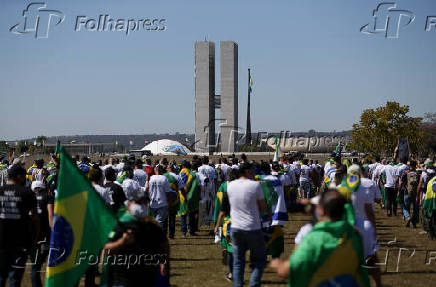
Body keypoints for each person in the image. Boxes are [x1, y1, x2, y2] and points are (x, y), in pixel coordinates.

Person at [269, 191, 370, 287]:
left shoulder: (314, 239)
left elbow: (291, 269)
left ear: (321, 210)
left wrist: (278, 265)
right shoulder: (354, 235)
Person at [104, 195, 169, 287]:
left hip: (147, 279)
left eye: (145, 203)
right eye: (138, 203)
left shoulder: (153, 227)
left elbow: (164, 245)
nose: (142, 206)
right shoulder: (120, 225)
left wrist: (163, 260)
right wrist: (122, 241)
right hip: (123, 279)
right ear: (129, 204)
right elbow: (107, 250)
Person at [227, 162, 267, 287]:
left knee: (238, 261)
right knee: (259, 260)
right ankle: (254, 283)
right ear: (248, 172)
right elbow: (262, 207)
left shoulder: (231, 185)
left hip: (236, 227)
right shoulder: (255, 186)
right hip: (252, 227)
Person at [0, 165, 39, 287]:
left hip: (1, 240)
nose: (24, 179)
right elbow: (35, 218)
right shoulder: (27, 192)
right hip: (20, 240)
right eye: (23, 176)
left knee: (1, 276)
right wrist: (36, 236)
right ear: (18, 176)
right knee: (15, 278)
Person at [29, 181, 54, 287]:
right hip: (46, 232)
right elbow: (50, 214)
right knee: (51, 255)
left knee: (35, 266)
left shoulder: (29, 198)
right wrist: (53, 228)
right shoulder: (48, 197)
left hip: (33, 233)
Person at [147, 165, 172, 229]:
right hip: (162, 203)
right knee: (159, 222)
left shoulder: (151, 178)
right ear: (162, 171)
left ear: (155, 171)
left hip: (152, 202)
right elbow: (168, 192)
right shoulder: (164, 178)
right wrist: (169, 203)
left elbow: (147, 189)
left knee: (155, 221)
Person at [400, 160, 419, 228]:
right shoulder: (418, 173)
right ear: (415, 166)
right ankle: (413, 223)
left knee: (405, 208)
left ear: (409, 166)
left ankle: (408, 218)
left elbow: (401, 183)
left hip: (406, 193)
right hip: (415, 194)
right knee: (415, 209)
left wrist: (398, 191)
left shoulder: (405, 173)